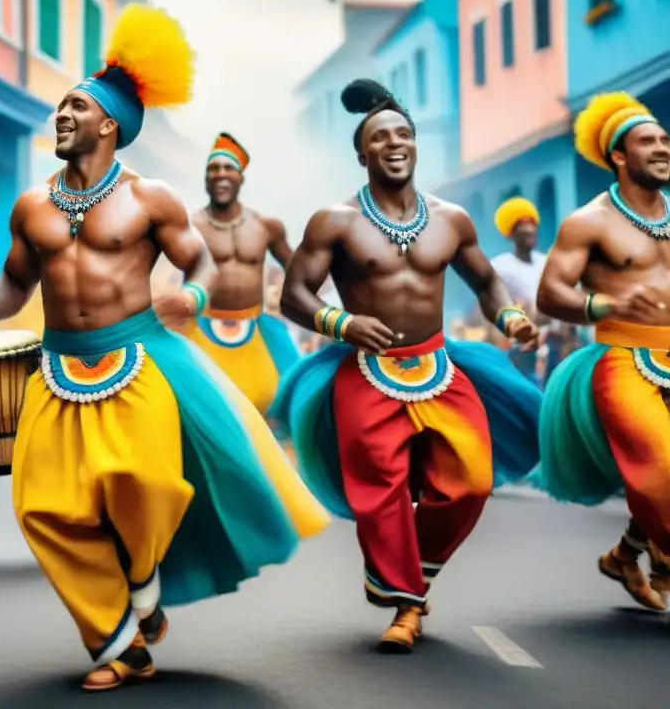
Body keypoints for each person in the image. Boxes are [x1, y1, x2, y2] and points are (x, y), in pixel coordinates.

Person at [0, 3, 329, 692]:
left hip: (141, 358)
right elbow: (11, 290)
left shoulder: (151, 199)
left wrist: (189, 298)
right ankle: (116, 642)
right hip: (54, 367)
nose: (61, 115)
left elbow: (200, 267)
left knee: (145, 483)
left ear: (109, 125)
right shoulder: (31, 206)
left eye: (75, 106)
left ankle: (141, 580)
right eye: (61, 106)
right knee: (44, 508)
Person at [270, 80, 542, 652]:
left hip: (438, 365)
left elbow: (487, 282)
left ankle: (405, 570)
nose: (393, 143)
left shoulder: (453, 219)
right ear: (362, 153)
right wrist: (342, 324)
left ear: (416, 146)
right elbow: (295, 294)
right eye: (379, 136)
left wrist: (511, 317)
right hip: (366, 372)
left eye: (403, 134)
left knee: (471, 481)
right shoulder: (334, 222)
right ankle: (406, 604)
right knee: (380, 492)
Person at [531, 91, 670, 611]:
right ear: (618, 156)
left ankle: (623, 556)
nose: (661, 148)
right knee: (659, 466)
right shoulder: (587, 223)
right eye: (646, 141)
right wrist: (608, 302)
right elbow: (550, 296)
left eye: (664, 138)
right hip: (621, 359)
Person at [171, 133, 300, 419]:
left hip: (258, 330)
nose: (220, 175)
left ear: (241, 177)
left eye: (228, 168)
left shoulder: (267, 226)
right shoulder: (188, 226)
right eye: (212, 169)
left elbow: (297, 270)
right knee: (194, 410)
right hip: (200, 330)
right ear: (205, 179)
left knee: (291, 397)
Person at [491, 197, 546, 383]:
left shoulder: (544, 262)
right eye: (522, 225)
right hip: (521, 340)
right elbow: (495, 304)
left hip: (552, 337)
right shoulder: (501, 266)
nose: (530, 229)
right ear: (511, 233)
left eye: (532, 224)